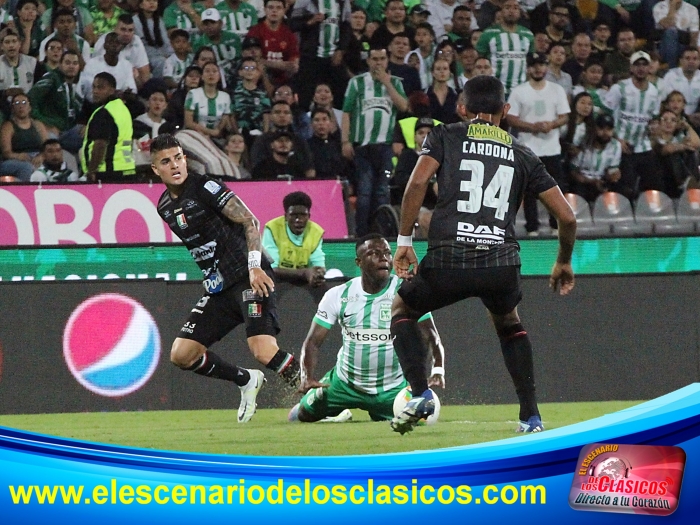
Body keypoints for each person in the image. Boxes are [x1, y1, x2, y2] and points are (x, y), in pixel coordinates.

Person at [388, 75, 576, 435]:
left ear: (461, 108)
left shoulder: (444, 135)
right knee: (509, 324)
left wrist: (404, 241)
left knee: (402, 310)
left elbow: (417, 183)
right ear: (506, 110)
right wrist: (563, 260)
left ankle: (420, 393)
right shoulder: (523, 153)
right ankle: (531, 417)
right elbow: (567, 217)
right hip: (500, 263)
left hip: (449, 258)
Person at [152, 133, 301, 420]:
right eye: (166, 161)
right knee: (182, 355)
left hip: (248, 276)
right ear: (156, 169)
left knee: (263, 350)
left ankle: (321, 400)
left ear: (185, 159)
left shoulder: (206, 187)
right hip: (218, 288)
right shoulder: (164, 207)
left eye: (178, 158)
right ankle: (246, 380)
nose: (175, 165)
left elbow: (249, 220)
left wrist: (255, 266)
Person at [289, 232, 445, 424]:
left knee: (422, 420)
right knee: (298, 416)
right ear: (359, 262)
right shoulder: (338, 295)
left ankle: (378, 410)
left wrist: (438, 369)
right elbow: (313, 342)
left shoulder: (407, 291)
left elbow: (431, 335)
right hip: (344, 384)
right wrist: (307, 376)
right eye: (374, 253)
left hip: (392, 390)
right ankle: (338, 415)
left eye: (387, 253)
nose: (383, 258)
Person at [342, 45, 408, 236]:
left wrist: (387, 83)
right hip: (363, 147)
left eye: (382, 59)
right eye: (375, 59)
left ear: (387, 61)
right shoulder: (357, 83)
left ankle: (382, 233)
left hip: (386, 147)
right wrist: (345, 141)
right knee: (364, 192)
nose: (378, 63)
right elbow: (347, 112)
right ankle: (361, 234)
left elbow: (403, 107)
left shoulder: (396, 82)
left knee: (382, 192)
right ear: (368, 61)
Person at [507, 52, 571, 235]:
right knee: (528, 190)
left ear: (546, 67)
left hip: (552, 149)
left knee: (555, 188)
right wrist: (532, 127)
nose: (538, 69)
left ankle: (555, 225)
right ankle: (532, 227)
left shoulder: (556, 90)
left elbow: (564, 116)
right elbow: (511, 118)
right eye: (534, 65)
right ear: (528, 69)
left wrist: (551, 125)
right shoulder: (519, 91)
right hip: (529, 149)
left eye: (541, 65)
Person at [603, 50, 661, 201]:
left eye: (644, 64)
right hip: (621, 145)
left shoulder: (654, 92)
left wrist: (654, 130)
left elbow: (653, 119)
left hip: (644, 146)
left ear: (649, 67)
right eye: (637, 64)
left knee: (653, 186)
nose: (641, 68)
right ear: (631, 67)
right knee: (625, 188)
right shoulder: (619, 88)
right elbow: (604, 116)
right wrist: (616, 139)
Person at [289, 0, 352, 112]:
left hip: (334, 57)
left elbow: (347, 27)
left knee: (340, 94)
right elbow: (293, 24)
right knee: (306, 94)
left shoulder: (343, 2)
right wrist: (310, 21)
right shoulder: (304, 1)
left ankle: (336, 121)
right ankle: (306, 120)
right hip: (310, 57)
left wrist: (341, 50)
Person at [262, 190, 327, 286]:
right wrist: (304, 273)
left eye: (303, 215)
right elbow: (271, 269)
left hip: (304, 283)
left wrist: (318, 274)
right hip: (276, 282)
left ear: (309, 216)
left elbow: (319, 266)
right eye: (293, 215)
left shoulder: (316, 232)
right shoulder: (272, 229)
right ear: (286, 216)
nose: (298, 220)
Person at [81, 72, 135, 182]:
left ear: (112, 90)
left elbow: (100, 145)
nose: (95, 91)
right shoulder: (123, 109)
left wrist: (92, 171)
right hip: (127, 168)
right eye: (94, 87)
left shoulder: (104, 112)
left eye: (100, 87)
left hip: (107, 172)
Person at [475, 0, 534, 99]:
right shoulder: (488, 33)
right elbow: (479, 59)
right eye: (507, 7)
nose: (511, 11)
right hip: (494, 91)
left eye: (515, 8)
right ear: (501, 11)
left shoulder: (528, 35)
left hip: (521, 92)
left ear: (520, 12)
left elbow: (530, 62)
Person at [245, 0, 299, 87]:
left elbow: (294, 66)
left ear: (284, 10)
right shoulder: (255, 32)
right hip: (259, 81)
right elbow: (251, 60)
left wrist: (265, 62)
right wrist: (279, 65)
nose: (274, 11)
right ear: (265, 9)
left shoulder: (288, 34)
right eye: (271, 7)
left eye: (278, 8)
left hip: (283, 82)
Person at [570, 112, 622, 202]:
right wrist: (591, 182)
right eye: (601, 128)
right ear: (595, 129)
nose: (605, 133)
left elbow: (612, 170)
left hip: (602, 181)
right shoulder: (583, 143)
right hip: (583, 182)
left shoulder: (616, 146)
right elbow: (573, 171)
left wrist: (613, 176)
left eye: (609, 129)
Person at [0, 92, 49, 181]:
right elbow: (6, 152)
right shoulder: (8, 126)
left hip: (36, 156)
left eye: (24, 102)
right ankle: (25, 188)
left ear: (29, 107)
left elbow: (47, 146)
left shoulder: (38, 125)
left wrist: (41, 156)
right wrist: (18, 156)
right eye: (17, 103)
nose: (21, 106)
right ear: (12, 108)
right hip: (15, 159)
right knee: (26, 167)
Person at [653, 0, 699, 68]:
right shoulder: (660, 7)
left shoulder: (692, 9)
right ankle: (672, 68)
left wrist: (691, 54)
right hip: (663, 46)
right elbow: (668, 25)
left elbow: (694, 36)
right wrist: (672, 6)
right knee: (671, 32)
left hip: (682, 46)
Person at [0, 28, 37, 94]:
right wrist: (5, 93)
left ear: (20, 44)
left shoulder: (33, 63)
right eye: (7, 42)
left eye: (14, 41)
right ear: (1, 46)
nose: (11, 45)